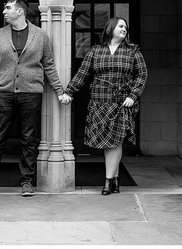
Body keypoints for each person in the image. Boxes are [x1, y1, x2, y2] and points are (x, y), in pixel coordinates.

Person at [0, 0, 65, 198]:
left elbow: (49, 65)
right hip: (4, 94)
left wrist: (59, 90)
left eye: (8, 8)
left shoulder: (40, 35)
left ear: (20, 11)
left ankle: (26, 182)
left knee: (28, 139)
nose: (4, 11)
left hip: (31, 94)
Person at [60, 17, 148, 195]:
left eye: (126, 27)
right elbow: (82, 74)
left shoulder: (133, 51)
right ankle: (115, 179)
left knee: (115, 140)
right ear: (111, 28)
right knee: (109, 143)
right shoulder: (95, 51)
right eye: (121, 26)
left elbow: (142, 75)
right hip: (99, 101)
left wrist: (133, 95)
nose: (124, 29)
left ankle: (108, 181)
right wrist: (69, 91)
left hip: (122, 101)